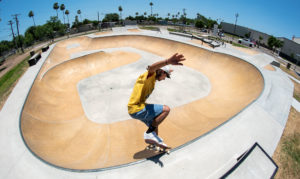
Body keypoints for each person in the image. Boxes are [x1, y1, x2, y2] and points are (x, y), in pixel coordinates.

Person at [128, 53, 186, 147]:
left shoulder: (153, 80)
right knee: (166, 109)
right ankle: (149, 133)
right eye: (165, 76)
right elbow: (151, 68)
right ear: (162, 72)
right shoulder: (149, 76)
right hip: (137, 108)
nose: (164, 79)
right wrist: (167, 62)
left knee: (155, 122)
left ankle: (155, 143)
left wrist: (168, 70)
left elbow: (158, 70)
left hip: (135, 110)